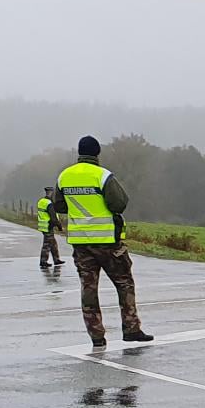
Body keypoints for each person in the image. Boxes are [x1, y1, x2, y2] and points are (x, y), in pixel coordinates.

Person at [51, 135, 151, 348]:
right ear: (97, 153)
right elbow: (119, 203)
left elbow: (58, 206)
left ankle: (96, 335)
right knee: (124, 283)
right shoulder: (103, 176)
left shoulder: (64, 176)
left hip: (80, 244)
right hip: (108, 243)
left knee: (89, 289)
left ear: (79, 153)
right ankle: (131, 328)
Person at [36, 185, 63, 269]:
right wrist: (59, 226)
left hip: (43, 225)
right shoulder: (49, 204)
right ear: (51, 193)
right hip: (48, 226)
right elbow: (53, 217)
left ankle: (56, 259)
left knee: (53, 243)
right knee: (47, 245)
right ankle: (43, 261)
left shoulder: (41, 201)